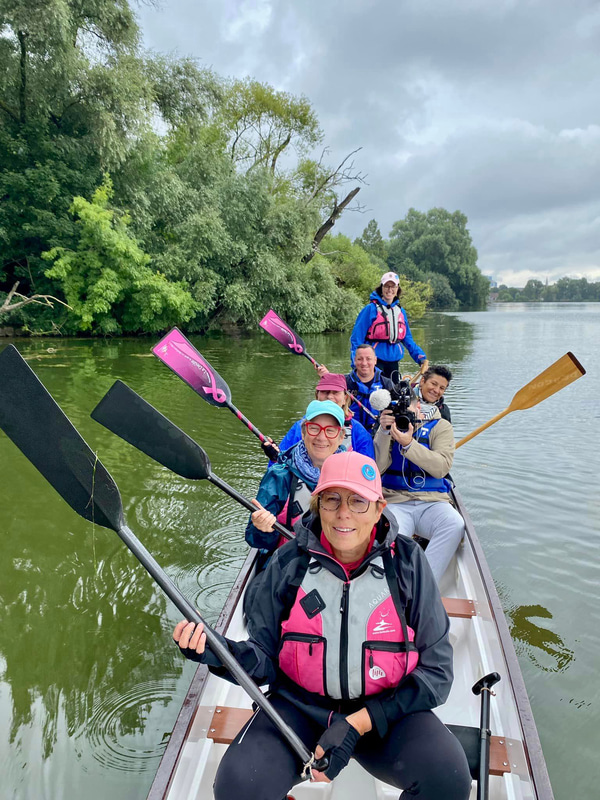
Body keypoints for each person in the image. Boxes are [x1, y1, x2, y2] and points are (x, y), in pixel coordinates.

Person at [174, 452, 471, 800]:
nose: (344, 513)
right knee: (239, 787)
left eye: (358, 501)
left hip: (386, 714)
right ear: (317, 507)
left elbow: (437, 673)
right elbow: (263, 660)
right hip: (299, 708)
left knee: (448, 779)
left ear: (379, 509)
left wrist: (359, 722)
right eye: (332, 500)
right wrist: (218, 653)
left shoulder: (408, 563)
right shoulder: (288, 564)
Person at [373, 387, 464, 584]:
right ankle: (391, 585)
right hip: (395, 501)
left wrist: (409, 445)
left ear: (418, 406)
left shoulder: (441, 427)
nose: (403, 416)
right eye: (398, 412)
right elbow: (377, 469)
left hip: (432, 502)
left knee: (454, 525)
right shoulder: (388, 428)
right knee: (388, 535)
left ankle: (424, 585)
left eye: (408, 410)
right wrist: (383, 432)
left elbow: (441, 468)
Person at [246, 399, 346, 554]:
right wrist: (262, 528)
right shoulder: (280, 475)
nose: (321, 437)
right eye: (314, 428)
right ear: (304, 431)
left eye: (330, 430)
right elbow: (254, 539)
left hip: (336, 563)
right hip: (290, 563)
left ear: (341, 437)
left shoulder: (352, 475)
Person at [274, 373, 374, 460]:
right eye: (325, 392)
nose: (330, 397)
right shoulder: (300, 426)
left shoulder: (358, 431)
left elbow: (368, 468)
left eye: (335, 392)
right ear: (317, 395)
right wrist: (274, 457)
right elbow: (281, 462)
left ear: (345, 398)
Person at [350, 271, 428, 379]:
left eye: (393, 286)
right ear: (381, 288)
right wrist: (355, 362)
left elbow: (407, 339)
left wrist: (421, 357)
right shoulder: (370, 309)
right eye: (387, 286)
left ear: (397, 289)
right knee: (376, 391)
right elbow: (356, 338)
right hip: (373, 361)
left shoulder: (400, 311)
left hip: (393, 361)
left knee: (394, 391)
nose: (390, 290)